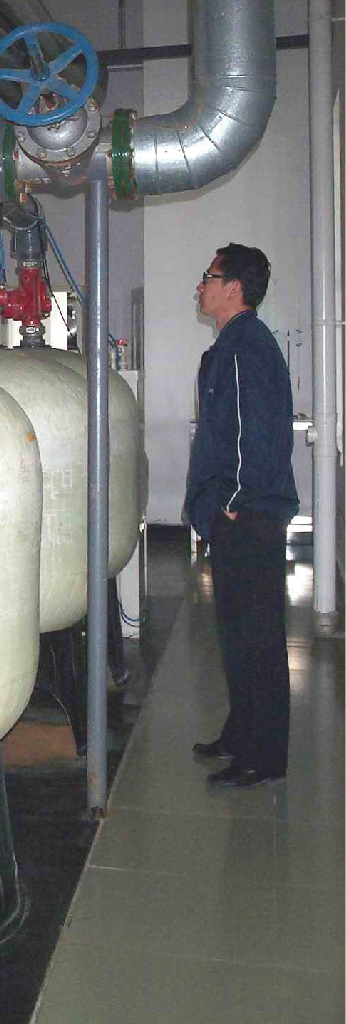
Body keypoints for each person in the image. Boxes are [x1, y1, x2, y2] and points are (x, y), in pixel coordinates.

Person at [185, 243, 299, 788]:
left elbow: (250, 435)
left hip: (247, 515)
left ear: (233, 288)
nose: (200, 285)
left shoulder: (243, 348)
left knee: (256, 639)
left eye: (208, 277)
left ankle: (264, 756)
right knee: (237, 633)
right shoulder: (237, 343)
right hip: (244, 512)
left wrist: (230, 502)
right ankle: (242, 732)